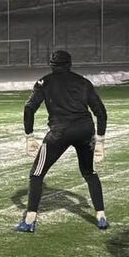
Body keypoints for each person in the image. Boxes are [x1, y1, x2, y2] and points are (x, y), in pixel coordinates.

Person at [15, 50, 108, 232]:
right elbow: (101, 112)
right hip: (85, 130)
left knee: (36, 174)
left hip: (60, 132)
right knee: (89, 172)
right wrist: (101, 140)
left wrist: (29, 136)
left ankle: (29, 220)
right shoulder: (83, 82)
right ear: (70, 64)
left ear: (51, 64)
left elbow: (29, 108)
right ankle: (101, 216)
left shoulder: (45, 82)